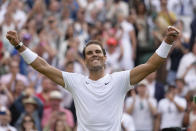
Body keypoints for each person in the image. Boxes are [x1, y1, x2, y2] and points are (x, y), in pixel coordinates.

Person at [6, 26, 179, 131]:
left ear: (105, 57)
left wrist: (167, 42)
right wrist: (19, 46)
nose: (94, 55)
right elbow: (43, 67)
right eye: (89, 53)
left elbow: (151, 66)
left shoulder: (120, 79)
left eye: (97, 52)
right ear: (84, 60)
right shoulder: (76, 81)